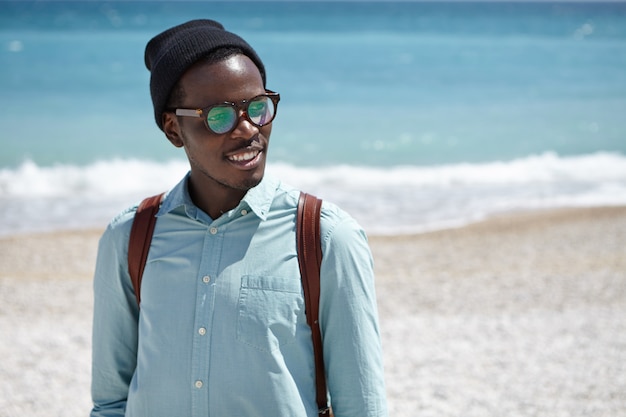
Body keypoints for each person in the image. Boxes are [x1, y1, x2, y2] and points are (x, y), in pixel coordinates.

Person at [90, 19, 388, 417]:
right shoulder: (129, 238)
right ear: (173, 129)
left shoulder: (326, 238)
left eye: (258, 108)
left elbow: (362, 406)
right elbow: (111, 403)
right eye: (219, 117)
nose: (248, 129)